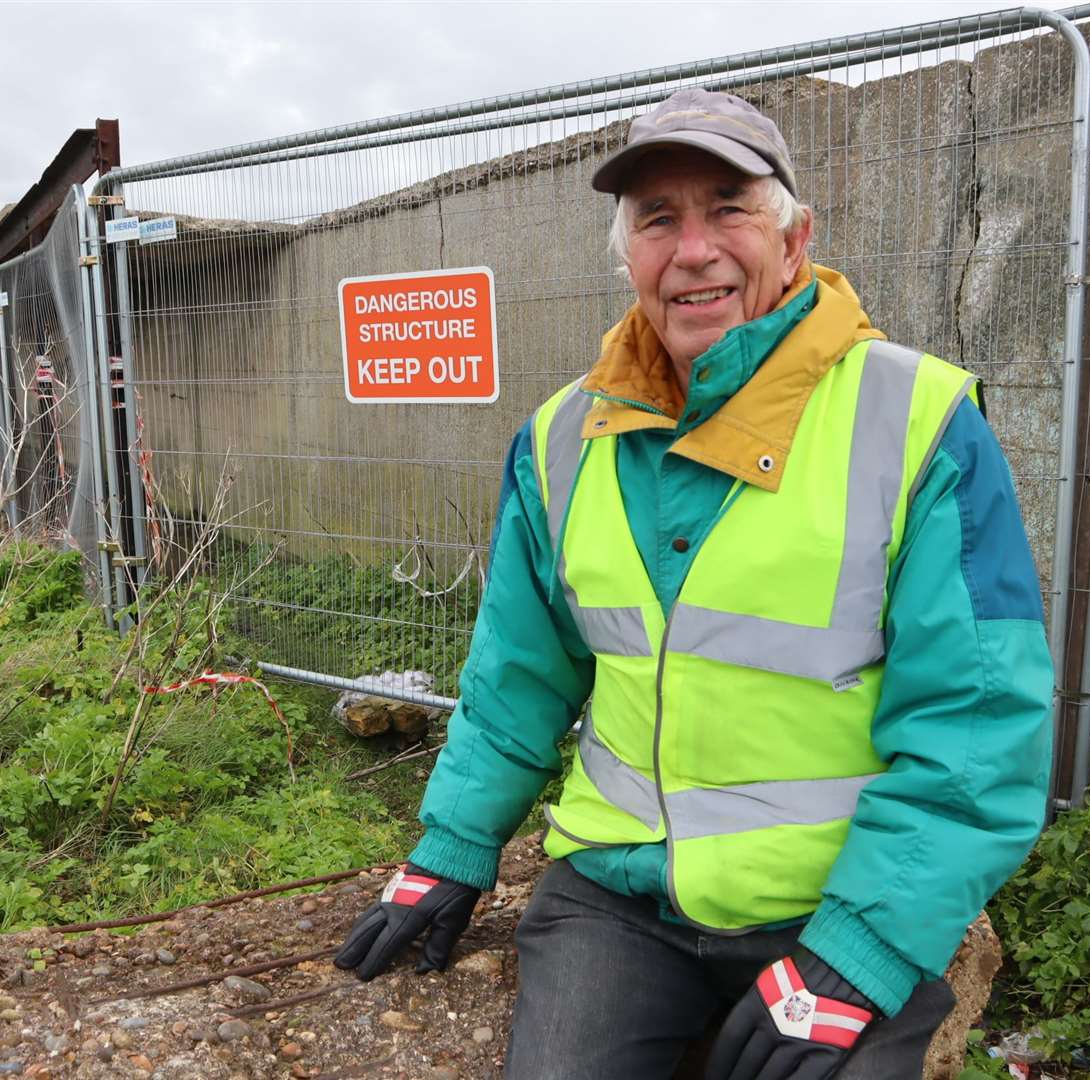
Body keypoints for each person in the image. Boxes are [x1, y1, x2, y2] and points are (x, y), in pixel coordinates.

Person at [335, 88, 1053, 1080]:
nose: (694, 248)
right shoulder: (559, 440)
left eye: (729, 208)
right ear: (627, 256)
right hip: (617, 907)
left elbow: (977, 721)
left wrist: (866, 947)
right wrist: (454, 845)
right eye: (658, 220)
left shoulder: (917, 420)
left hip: (832, 901)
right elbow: (517, 672)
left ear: (794, 240)